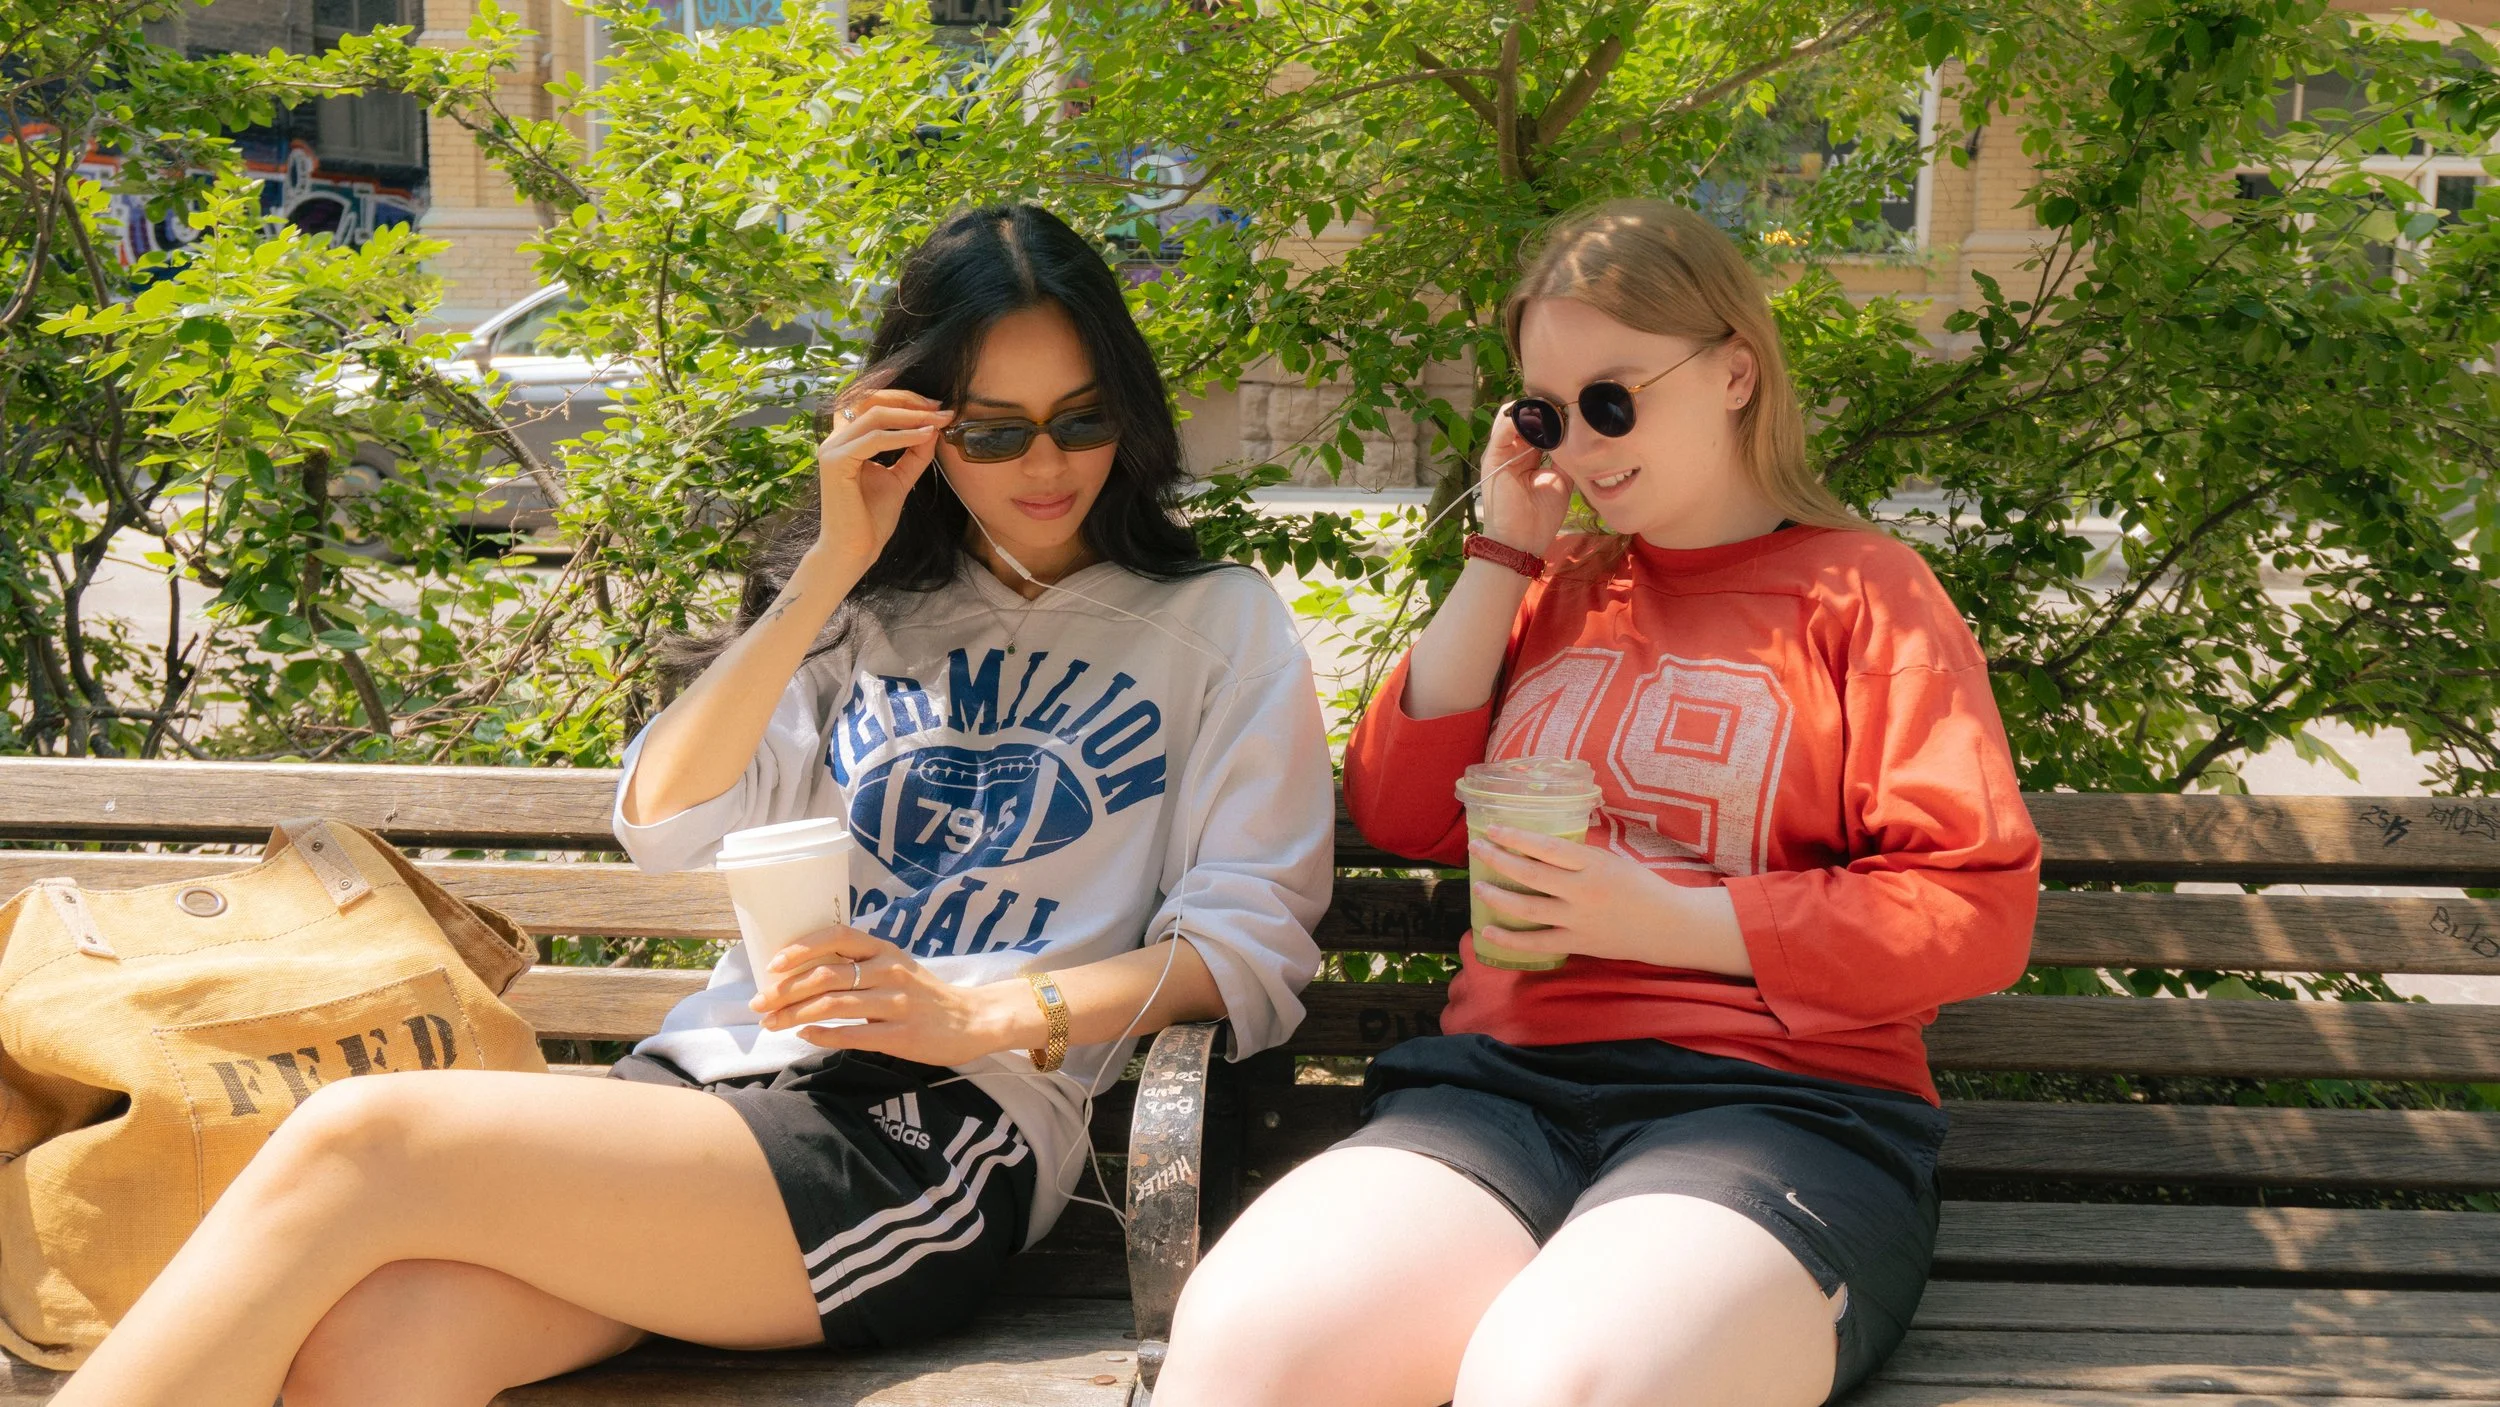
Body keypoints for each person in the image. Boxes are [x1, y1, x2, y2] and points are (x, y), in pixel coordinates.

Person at [55, 204, 1333, 1407]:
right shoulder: (862, 622)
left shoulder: (1215, 626)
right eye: (992, 430)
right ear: (921, 429)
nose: (1045, 464)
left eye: (1081, 417)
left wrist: (985, 1011)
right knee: (374, 1348)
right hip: (700, 1098)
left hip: (930, 1137)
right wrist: (836, 561)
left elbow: (1246, 947)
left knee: (365, 1137)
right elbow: (663, 818)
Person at [1155, 199, 2041, 1407]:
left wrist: (1663, 921)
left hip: (1782, 1111)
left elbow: (1969, 910)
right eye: (1544, 412)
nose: (1578, 443)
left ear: (1734, 371)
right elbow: (1403, 811)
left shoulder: (1864, 594)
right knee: (1248, 1351)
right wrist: (1501, 553)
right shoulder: (1552, 590)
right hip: (1499, 1095)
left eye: (1613, 399)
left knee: (1559, 1385)